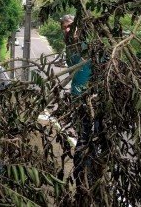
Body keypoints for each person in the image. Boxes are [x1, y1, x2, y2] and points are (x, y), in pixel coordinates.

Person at [60, 14, 95, 196]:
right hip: (78, 101)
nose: (68, 30)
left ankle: (89, 177)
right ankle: (81, 178)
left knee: (90, 140)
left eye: (71, 26)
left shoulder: (90, 46)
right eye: (64, 27)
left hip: (91, 101)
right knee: (82, 138)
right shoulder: (69, 48)